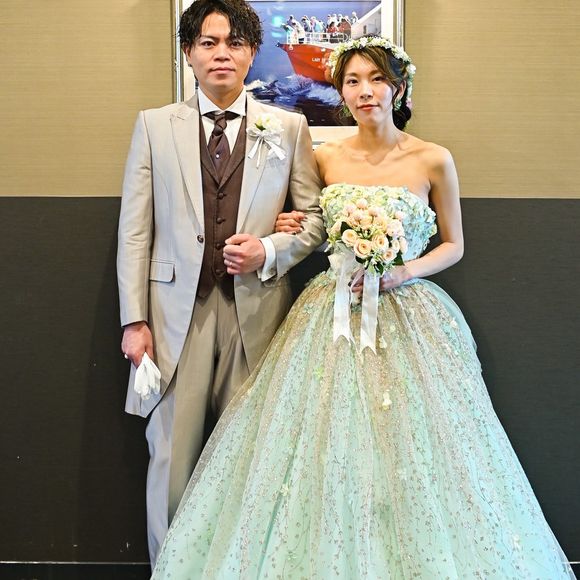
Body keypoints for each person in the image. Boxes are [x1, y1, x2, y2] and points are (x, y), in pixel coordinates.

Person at [151, 36, 576, 578]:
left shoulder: (433, 158)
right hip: (330, 312)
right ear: (341, 91)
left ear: (398, 87)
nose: (364, 91)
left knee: (415, 445)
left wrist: (403, 272)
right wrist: (294, 222)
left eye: (376, 80)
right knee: (323, 443)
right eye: (352, 81)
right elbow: (309, 222)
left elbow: (454, 244)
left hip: (407, 312)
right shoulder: (323, 156)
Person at [117, 0, 325, 566]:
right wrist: (134, 320)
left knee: (250, 460)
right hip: (173, 316)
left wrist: (271, 248)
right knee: (170, 461)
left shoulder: (288, 127)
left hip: (258, 314)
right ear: (188, 53)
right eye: (208, 42)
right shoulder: (154, 126)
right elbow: (134, 230)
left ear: (252, 53)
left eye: (234, 42)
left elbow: (315, 219)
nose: (221, 54)